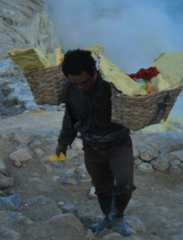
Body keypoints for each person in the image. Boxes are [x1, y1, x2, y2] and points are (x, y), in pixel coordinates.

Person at [56, 49, 135, 236]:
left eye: (84, 82)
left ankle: (118, 215)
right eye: (75, 83)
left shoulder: (113, 85)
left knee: (125, 184)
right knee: (101, 187)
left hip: (118, 143)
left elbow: (133, 105)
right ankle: (109, 217)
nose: (80, 87)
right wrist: (63, 143)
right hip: (91, 146)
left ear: (94, 72)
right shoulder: (69, 89)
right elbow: (70, 118)